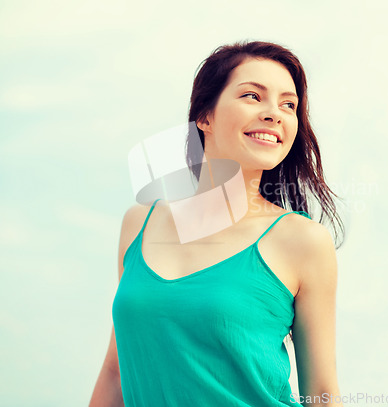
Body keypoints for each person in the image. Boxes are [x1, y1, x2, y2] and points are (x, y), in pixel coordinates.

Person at [89, 40, 345, 407]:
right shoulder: (138, 224)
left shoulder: (302, 241)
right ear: (205, 116)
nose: (275, 113)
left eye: (289, 104)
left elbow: (321, 392)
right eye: (253, 96)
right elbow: (117, 371)